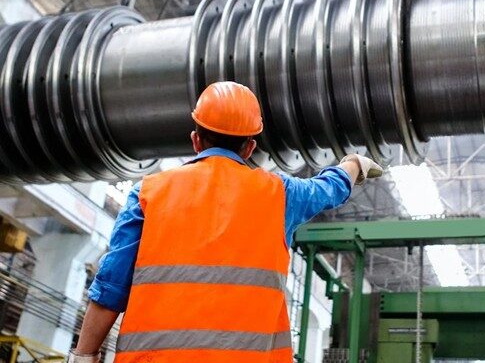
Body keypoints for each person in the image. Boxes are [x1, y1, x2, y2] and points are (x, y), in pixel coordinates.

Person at [69, 81, 383, 363]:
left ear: (195, 140)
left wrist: (85, 356)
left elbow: (109, 288)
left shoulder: (149, 193)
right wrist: (353, 164)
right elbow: (330, 189)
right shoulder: (281, 195)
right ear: (249, 148)